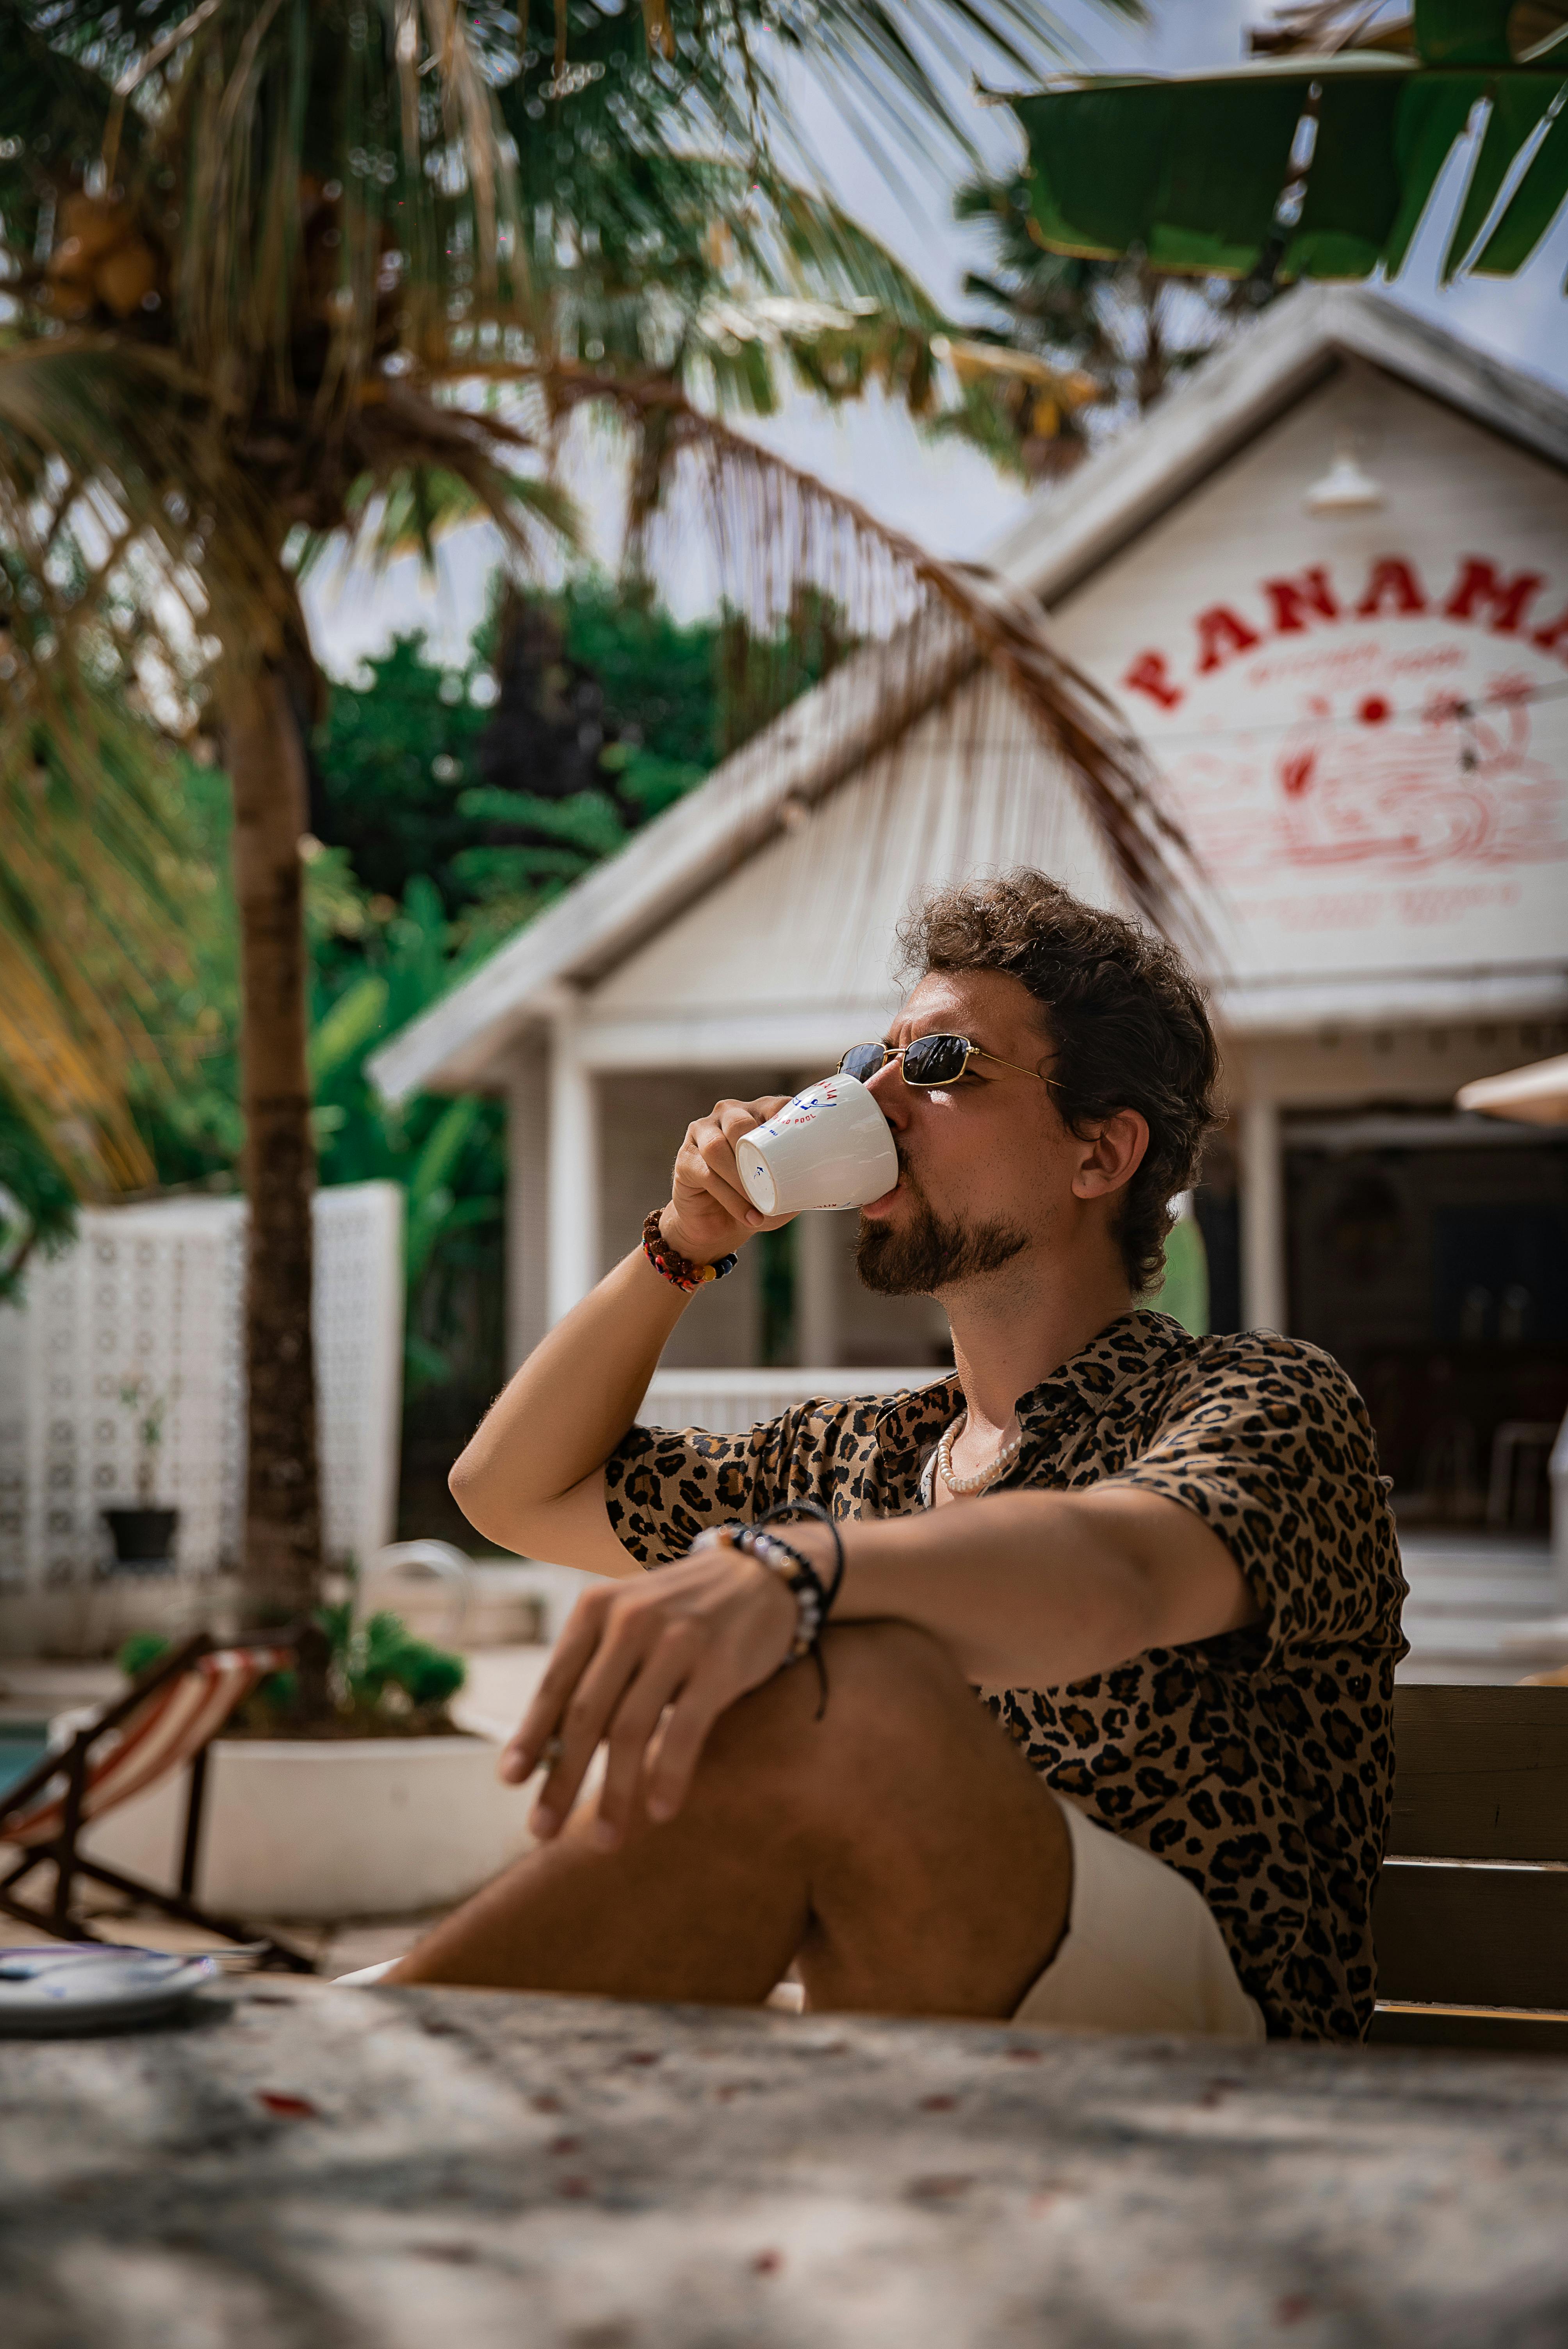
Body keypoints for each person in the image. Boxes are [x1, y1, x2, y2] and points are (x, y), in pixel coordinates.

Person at [386, 871, 1406, 2041]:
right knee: (833, 1704)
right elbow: (509, 1492)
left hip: (1222, 2055)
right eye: (872, 1058)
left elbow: (1121, 1575)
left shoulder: (1266, 1399)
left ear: (1100, 1154)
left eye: (940, 1069)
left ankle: (371, 2070)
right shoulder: (868, 1454)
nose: (870, 1098)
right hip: (937, 2047)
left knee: (852, 1690)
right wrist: (683, 1245)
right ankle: (385, 2069)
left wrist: (797, 1572)